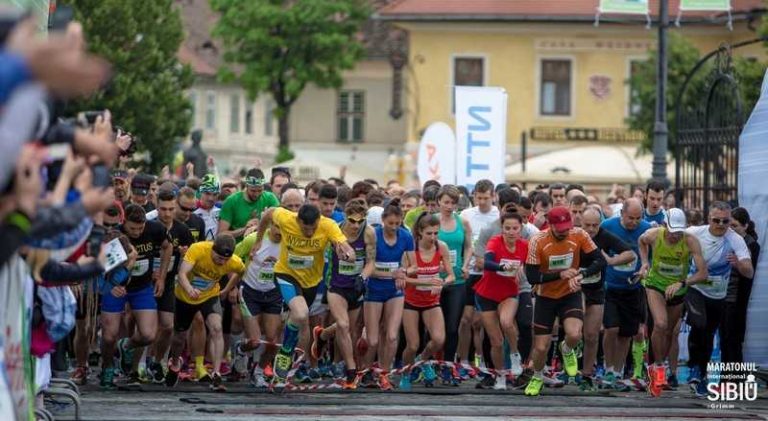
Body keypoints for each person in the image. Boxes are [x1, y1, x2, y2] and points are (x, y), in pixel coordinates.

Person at [252, 204, 355, 386]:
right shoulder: (286, 218)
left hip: (311, 282)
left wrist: (347, 254)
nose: (309, 233)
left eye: (313, 229)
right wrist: (259, 239)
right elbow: (267, 214)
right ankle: (285, 353)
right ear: (298, 220)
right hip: (286, 274)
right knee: (301, 314)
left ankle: (288, 361)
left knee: (299, 319)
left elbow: (346, 247)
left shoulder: (327, 225)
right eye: (305, 229)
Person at [523, 207, 605, 396]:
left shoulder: (579, 234)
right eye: (560, 229)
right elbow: (532, 277)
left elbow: (600, 261)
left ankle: (567, 348)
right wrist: (560, 274)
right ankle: (537, 375)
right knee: (541, 347)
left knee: (575, 334)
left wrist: (581, 274)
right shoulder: (538, 241)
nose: (565, 231)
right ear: (550, 225)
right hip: (545, 296)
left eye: (567, 227)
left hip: (570, 293)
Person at [684, 201, 754, 397]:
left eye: (725, 221)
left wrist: (739, 264)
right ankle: (695, 368)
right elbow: (671, 235)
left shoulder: (735, 239)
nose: (721, 225)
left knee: (707, 333)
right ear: (709, 219)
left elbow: (749, 272)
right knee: (699, 324)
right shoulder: (695, 232)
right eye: (716, 220)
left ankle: (701, 373)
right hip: (696, 287)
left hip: (718, 295)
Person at [636, 208, 708, 397]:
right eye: (671, 230)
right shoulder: (653, 235)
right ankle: (658, 367)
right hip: (655, 286)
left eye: (679, 231)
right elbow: (641, 241)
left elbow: (703, 273)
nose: (675, 235)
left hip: (678, 289)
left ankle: (662, 365)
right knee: (660, 324)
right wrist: (644, 262)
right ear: (664, 225)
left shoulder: (690, 240)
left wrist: (682, 282)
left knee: (669, 331)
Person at [165, 234, 245, 392]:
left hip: (209, 296)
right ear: (212, 249)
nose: (221, 262)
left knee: (216, 328)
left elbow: (240, 273)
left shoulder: (235, 262)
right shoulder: (199, 249)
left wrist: (228, 289)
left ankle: (216, 373)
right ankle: (175, 364)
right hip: (186, 297)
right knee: (179, 337)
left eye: (224, 260)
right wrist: (189, 289)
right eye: (218, 257)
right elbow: (182, 274)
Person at [312, 199, 376, 389]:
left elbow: (371, 262)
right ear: (345, 217)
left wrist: (363, 278)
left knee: (349, 329)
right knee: (343, 324)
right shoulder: (336, 230)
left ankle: (323, 335)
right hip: (335, 286)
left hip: (356, 287)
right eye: (352, 220)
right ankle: (350, 370)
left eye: (360, 221)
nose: (356, 225)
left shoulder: (369, 233)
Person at [360, 201, 415, 390]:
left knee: (392, 336)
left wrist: (403, 271)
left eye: (397, 224)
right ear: (383, 220)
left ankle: (384, 373)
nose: (393, 227)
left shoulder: (406, 236)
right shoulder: (373, 235)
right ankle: (365, 372)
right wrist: (392, 274)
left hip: (394, 291)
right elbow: (370, 267)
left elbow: (413, 265)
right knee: (373, 340)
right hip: (374, 289)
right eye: (390, 223)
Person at [116, 204, 173, 387]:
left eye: (141, 228)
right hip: (118, 287)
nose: (137, 232)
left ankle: (126, 348)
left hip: (142, 287)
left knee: (148, 334)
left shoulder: (155, 228)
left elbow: (167, 247)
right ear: (123, 222)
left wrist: (162, 277)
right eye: (133, 228)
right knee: (111, 333)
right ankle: (111, 369)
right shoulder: (116, 234)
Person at [600, 198, 652, 390]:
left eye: (638, 218)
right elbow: (598, 250)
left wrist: (646, 267)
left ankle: (617, 372)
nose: (634, 222)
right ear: (622, 213)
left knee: (626, 334)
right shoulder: (608, 226)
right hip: (610, 287)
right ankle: (607, 367)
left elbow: (650, 257)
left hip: (633, 288)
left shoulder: (647, 230)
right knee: (611, 328)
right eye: (630, 218)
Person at [474, 212, 528, 390]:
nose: (511, 232)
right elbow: (487, 262)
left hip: (509, 293)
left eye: (515, 228)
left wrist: (525, 271)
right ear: (502, 228)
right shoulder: (495, 241)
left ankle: (514, 355)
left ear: (521, 229)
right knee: (496, 341)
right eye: (507, 228)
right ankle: (500, 376)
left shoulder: (524, 246)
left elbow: (534, 265)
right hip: (487, 293)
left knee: (507, 322)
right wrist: (502, 266)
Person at [400, 212, 452, 390]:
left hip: (431, 301)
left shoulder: (441, 247)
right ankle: (405, 374)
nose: (433, 237)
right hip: (411, 302)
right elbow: (403, 279)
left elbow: (452, 275)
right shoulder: (410, 249)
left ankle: (422, 361)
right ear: (420, 232)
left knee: (438, 339)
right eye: (429, 233)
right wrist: (427, 281)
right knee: (412, 344)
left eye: (436, 233)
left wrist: (442, 283)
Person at [233, 221, 283, 388]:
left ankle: (259, 371)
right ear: (270, 226)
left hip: (273, 293)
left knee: (272, 342)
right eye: (277, 227)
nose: (280, 232)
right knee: (254, 341)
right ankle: (241, 349)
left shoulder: (289, 243)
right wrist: (231, 287)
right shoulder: (253, 239)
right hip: (250, 292)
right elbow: (233, 259)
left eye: (284, 229)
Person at [458, 179, 498, 374]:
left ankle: (482, 359)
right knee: (466, 320)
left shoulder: (499, 215)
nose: (482, 202)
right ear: (474, 196)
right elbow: (462, 243)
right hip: (470, 272)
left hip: (490, 273)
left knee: (481, 322)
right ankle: (464, 361)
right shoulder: (465, 215)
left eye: (485, 198)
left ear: (493, 196)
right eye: (478, 198)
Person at [435, 185, 472, 385]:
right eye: (446, 202)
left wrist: (466, 265)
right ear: (439, 201)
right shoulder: (431, 221)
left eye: (453, 203)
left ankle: (448, 368)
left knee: (452, 327)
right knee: (431, 329)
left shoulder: (462, 221)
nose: (449, 206)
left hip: (456, 281)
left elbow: (468, 246)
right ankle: (428, 365)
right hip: (433, 280)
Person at [720, 207, 760, 382]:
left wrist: (739, 264)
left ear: (745, 226)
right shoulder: (726, 240)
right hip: (723, 295)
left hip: (737, 298)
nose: (731, 229)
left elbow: (749, 272)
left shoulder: (751, 244)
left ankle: (735, 378)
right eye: (730, 225)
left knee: (733, 339)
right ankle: (726, 376)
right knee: (724, 339)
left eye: (735, 225)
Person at [218, 168, 279, 241]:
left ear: (263, 187)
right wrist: (245, 229)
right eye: (253, 191)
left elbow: (280, 226)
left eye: (260, 190)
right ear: (246, 186)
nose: (256, 194)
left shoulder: (270, 198)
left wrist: (262, 224)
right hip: (238, 248)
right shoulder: (231, 201)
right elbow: (221, 234)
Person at [194, 174, 221, 241]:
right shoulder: (191, 210)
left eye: (215, 194)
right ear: (199, 193)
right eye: (207, 193)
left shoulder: (222, 210)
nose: (211, 198)